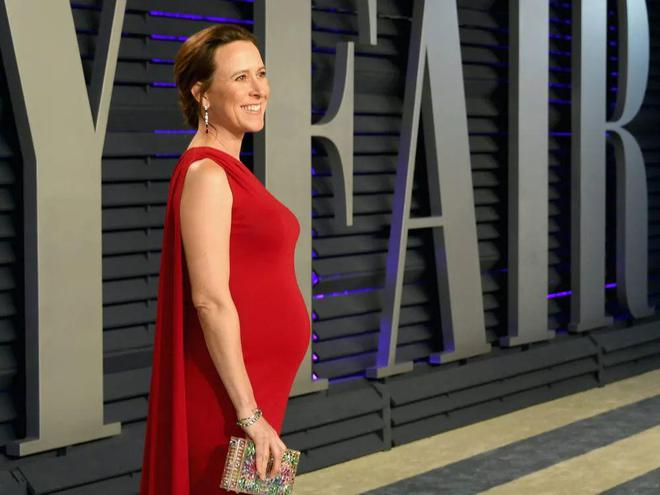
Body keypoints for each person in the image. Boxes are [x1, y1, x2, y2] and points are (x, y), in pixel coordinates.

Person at [139, 23, 311, 495]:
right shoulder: (207, 174)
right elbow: (210, 300)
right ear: (202, 94)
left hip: (254, 388)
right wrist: (249, 414)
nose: (258, 89)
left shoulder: (226, 169)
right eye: (240, 78)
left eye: (261, 73)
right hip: (228, 398)